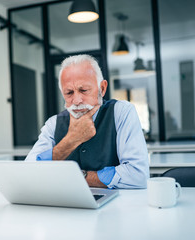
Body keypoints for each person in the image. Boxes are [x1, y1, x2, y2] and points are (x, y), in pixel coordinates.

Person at [25, 54, 149, 189]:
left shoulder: (122, 112)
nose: (77, 100)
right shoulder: (53, 124)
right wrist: (72, 139)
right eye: (69, 93)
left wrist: (77, 177)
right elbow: (29, 172)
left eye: (84, 90)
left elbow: (138, 175)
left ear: (102, 88)